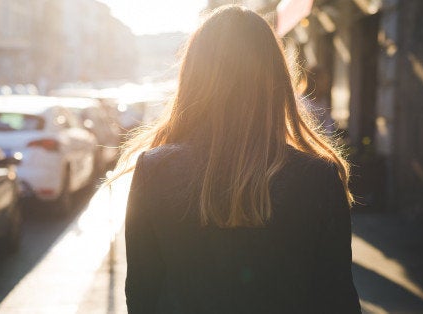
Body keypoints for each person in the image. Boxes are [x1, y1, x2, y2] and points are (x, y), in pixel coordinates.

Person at [110, 5, 360, 313]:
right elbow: (338, 301)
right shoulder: (318, 177)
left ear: (193, 78)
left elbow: (141, 295)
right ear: (276, 80)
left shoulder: (155, 170)